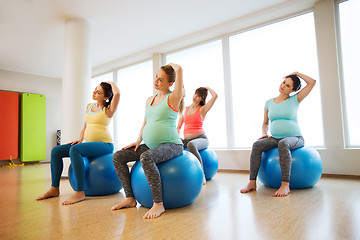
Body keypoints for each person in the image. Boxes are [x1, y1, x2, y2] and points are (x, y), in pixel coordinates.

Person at [111, 63, 184, 219]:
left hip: (172, 145)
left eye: (161, 79)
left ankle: (158, 204)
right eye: (156, 77)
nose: (156, 81)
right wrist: (138, 140)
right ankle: (130, 198)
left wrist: (177, 69)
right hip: (149, 144)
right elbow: (145, 122)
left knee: (146, 157)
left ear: (170, 83)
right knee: (118, 156)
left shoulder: (173, 97)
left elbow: (179, 74)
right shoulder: (150, 100)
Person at [36, 82, 120, 205]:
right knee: (56, 151)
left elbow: (117, 93)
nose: (94, 92)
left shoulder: (108, 110)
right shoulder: (89, 107)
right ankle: (54, 188)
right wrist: (80, 139)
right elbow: (85, 126)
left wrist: (110, 83)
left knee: (75, 150)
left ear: (106, 97)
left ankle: (79, 192)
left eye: (98, 92)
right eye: (95, 89)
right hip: (90, 144)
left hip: (104, 145)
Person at [240, 72, 316, 197]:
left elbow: (312, 82)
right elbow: (265, 123)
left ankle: (285, 184)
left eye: (288, 86)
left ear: (293, 90)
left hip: (295, 138)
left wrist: (296, 73)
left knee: (283, 143)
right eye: (284, 82)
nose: (283, 86)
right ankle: (252, 182)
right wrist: (264, 133)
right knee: (257, 145)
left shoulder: (295, 99)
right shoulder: (269, 102)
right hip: (275, 138)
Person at [177, 87, 217, 184]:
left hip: (201, 139)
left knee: (191, 145)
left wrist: (207, 88)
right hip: (186, 140)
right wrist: (178, 138)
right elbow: (178, 127)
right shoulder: (185, 109)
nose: (195, 97)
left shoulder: (202, 109)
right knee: (174, 145)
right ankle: (181, 174)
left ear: (202, 99)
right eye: (195, 94)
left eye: (199, 96)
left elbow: (215, 96)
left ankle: (201, 174)